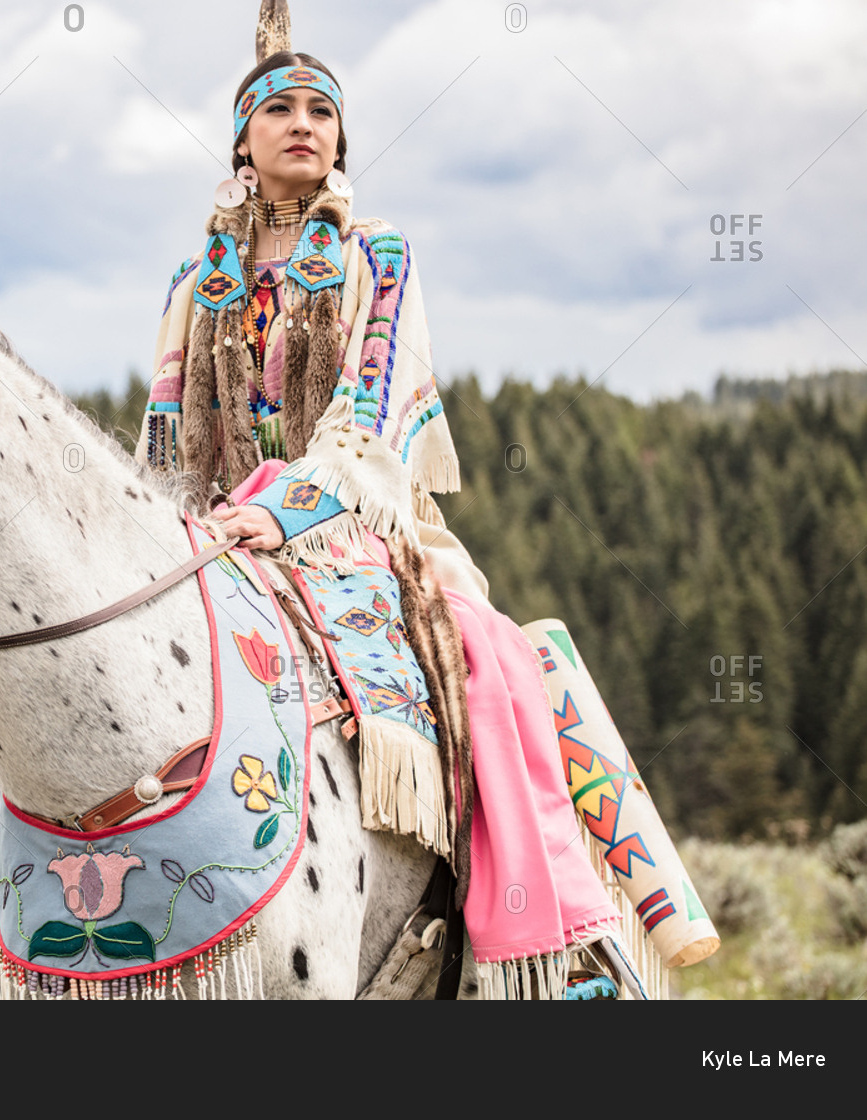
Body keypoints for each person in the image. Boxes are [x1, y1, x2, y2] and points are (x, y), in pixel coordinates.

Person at [140, 48, 652, 998]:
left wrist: (284, 513)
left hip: (353, 526)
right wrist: (170, 529)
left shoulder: (377, 255)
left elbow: (370, 421)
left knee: (482, 663)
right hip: (214, 532)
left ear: (340, 139)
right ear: (242, 143)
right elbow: (168, 436)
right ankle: (1, 944)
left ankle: (547, 949)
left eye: (322, 111)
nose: (304, 123)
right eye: (280, 109)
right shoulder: (192, 278)